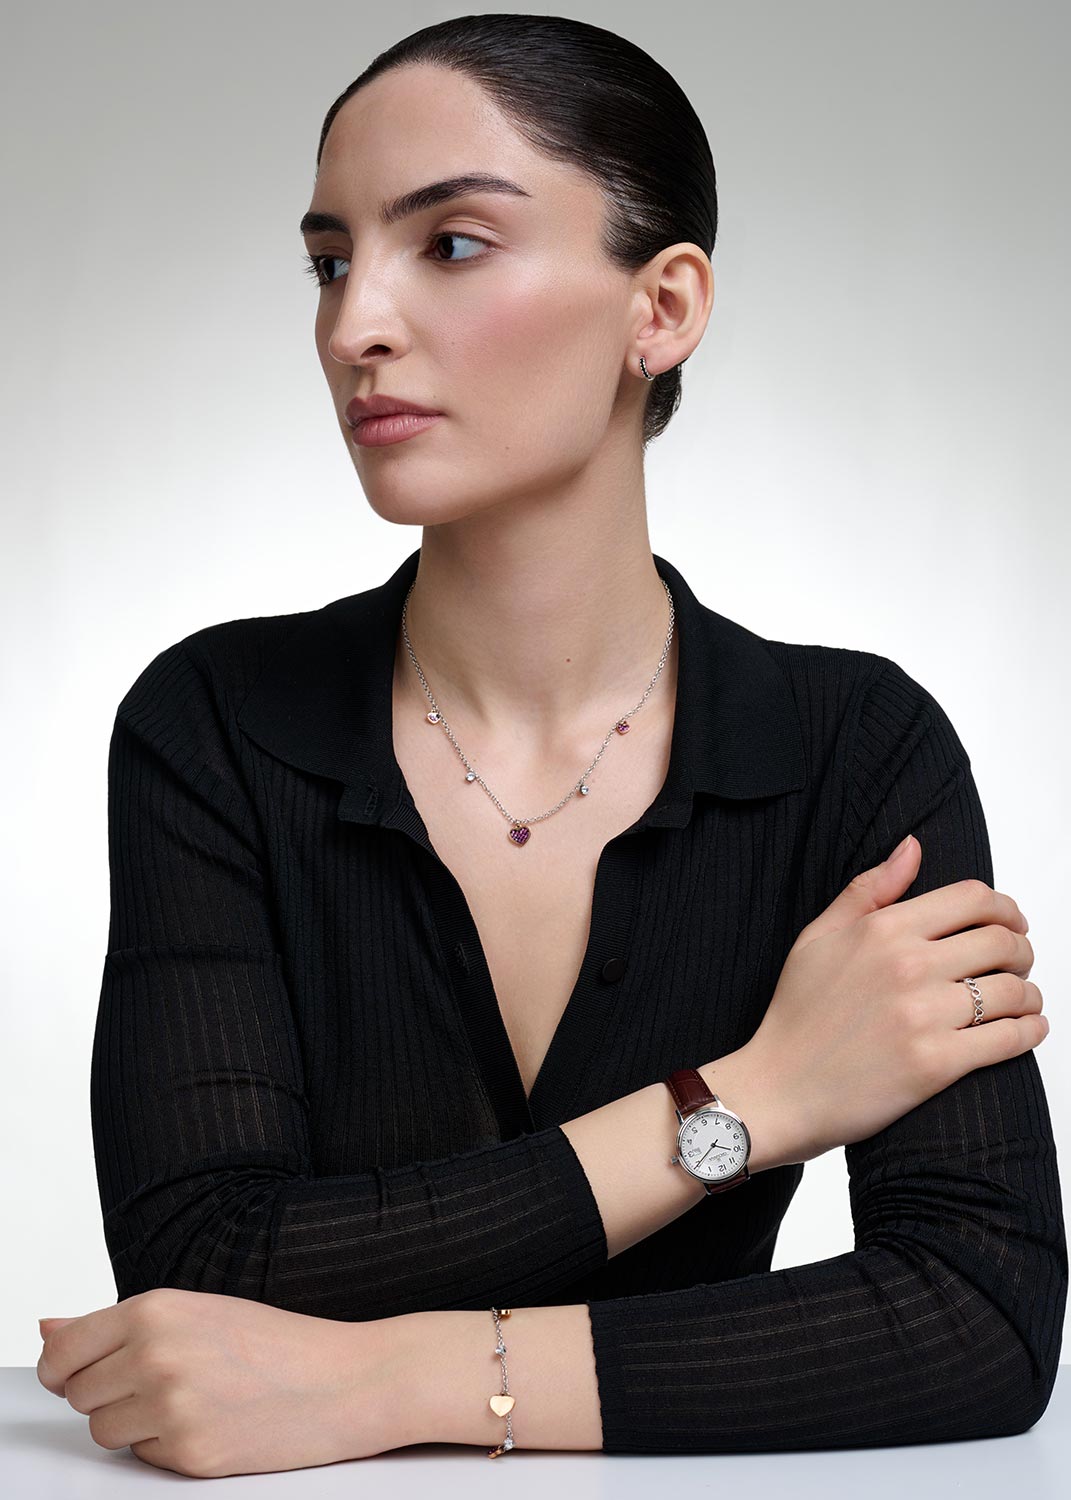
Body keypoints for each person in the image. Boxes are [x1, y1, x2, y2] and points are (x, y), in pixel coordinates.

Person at [84, 12, 1064, 1471]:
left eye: (451, 244)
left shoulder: (855, 749)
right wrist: (752, 1100)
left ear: (660, 308)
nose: (353, 327)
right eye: (330, 260)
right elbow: (205, 1263)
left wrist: (403, 1382)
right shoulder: (219, 724)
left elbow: (980, 1316)